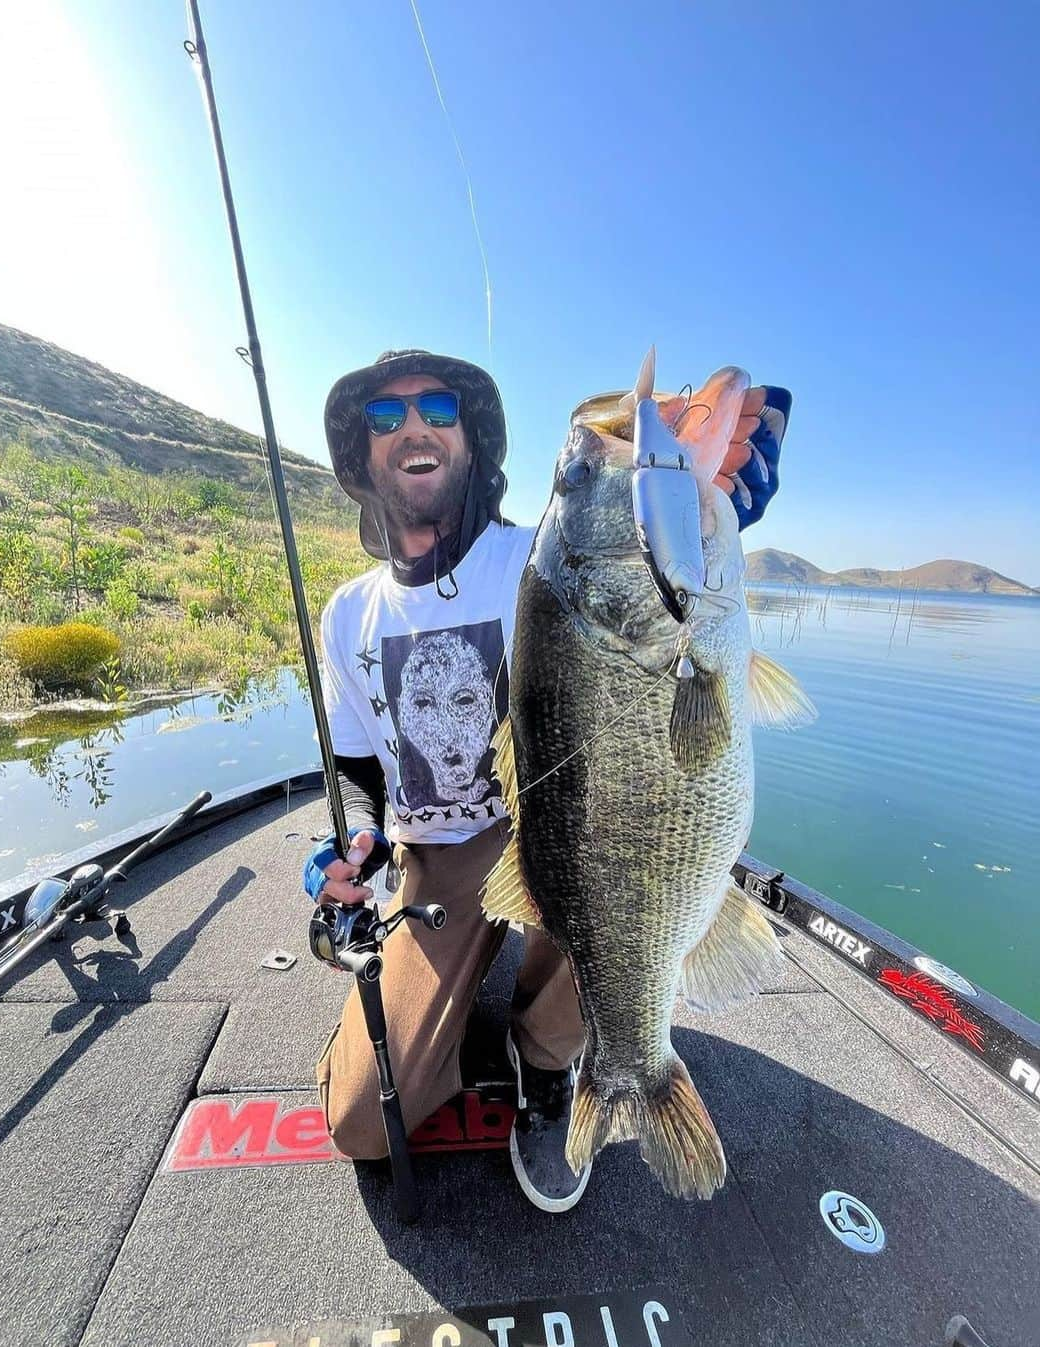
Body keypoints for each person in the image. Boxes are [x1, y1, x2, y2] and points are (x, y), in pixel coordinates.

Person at [306, 348, 788, 1212]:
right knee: (361, 1122)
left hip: (564, 823)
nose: (413, 426)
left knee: (612, 893)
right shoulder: (348, 614)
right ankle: (458, 1008)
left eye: (439, 408)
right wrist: (351, 840)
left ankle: (547, 1060)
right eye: (386, 417)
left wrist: (715, 505)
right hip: (433, 858)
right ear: (363, 453)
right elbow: (355, 769)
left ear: (471, 437)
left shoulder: (533, 555)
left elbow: (642, 567)